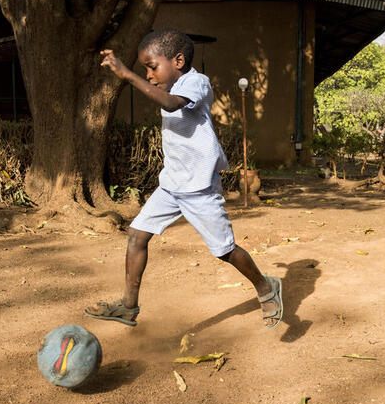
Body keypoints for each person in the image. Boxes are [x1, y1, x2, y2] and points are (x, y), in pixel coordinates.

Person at [84, 27, 283, 329]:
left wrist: (127, 75)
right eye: (144, 70)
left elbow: (171, 103)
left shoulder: (196, 82)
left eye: (152, 67)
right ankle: (128, 306)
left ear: (178, 60)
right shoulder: (168, 84)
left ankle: (266, 288)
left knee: (224, 251)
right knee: (137, 235)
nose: (149, 75)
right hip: (172, 184)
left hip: (199, 189)